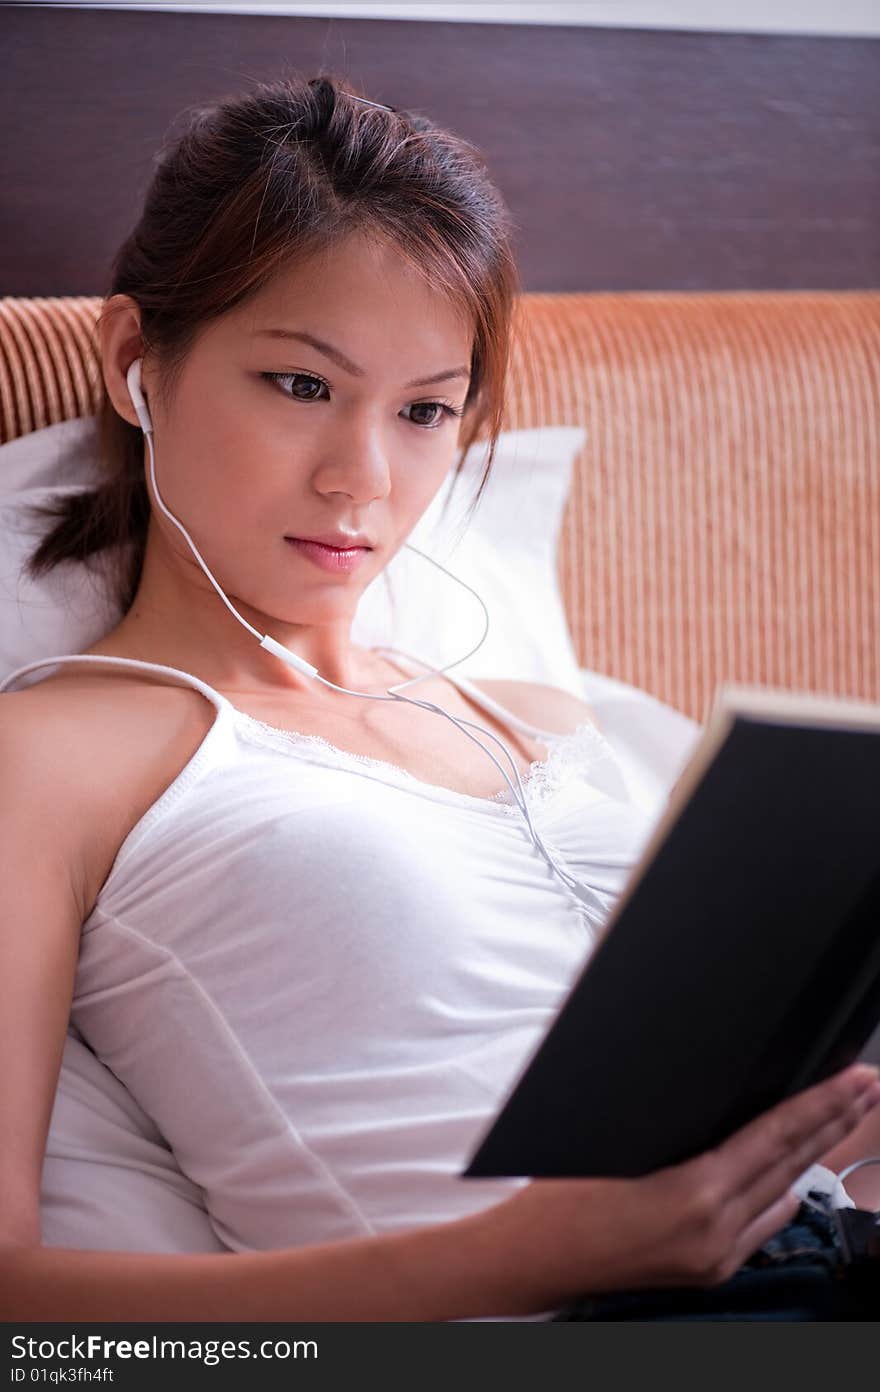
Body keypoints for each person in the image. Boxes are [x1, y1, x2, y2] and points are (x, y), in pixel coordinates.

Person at [1, 74, 878, 1324]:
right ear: (137, 360)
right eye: (302, 385)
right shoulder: (49, 758)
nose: (362, 476)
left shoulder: (540, 718)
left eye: (424, 411)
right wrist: (524, 1256)